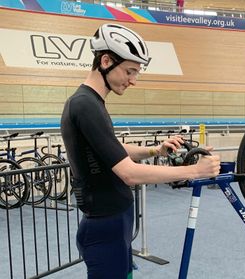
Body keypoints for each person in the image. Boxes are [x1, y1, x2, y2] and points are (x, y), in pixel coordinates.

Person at [60, 23, 220, 279]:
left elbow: (110, 147)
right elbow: (129, 174)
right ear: (105, 61)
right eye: (129, 71)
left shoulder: (92, 102)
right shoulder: (84, 105)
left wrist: (156, 150)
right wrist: (194, 170)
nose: (133, 80)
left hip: (115, 223)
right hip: (104, 227)